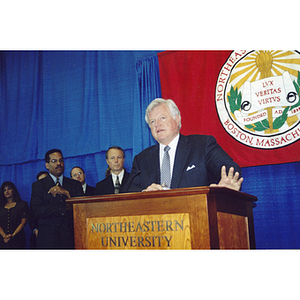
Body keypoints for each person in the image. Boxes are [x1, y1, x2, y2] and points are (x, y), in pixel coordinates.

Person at [125, 98, 243, 193]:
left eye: (162, 118)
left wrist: (227, 183)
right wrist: (144, 193)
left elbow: (228, 167)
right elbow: (129, 194)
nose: (157, 124)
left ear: (177, 119)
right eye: (152, 121)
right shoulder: (142, 159)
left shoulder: (202, 145)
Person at [30, 149, 84, 249]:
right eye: (54, 161)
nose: (59, 163)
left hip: (71, 237)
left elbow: (82, 208)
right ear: (47, 165)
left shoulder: (74, 184)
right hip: (48, 238)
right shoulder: (38, 185)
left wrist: (67, 193)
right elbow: (37, 210)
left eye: (61, 160)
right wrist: (64, 208)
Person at [0, 181, 29, 249]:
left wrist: (13, 235)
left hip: (18, 238)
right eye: (4, 190)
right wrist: (4, 236)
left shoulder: (22, 204)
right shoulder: (0, 206)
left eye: (9, 189)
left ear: (13, 190)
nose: (7, 191)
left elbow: (23, 223)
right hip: (2, 239)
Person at [28, 171, 48, 249]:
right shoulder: (35, 197)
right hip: (38, 235)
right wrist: (35, 229)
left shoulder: (58, 194)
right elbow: (31, 217)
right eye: (40, 181)